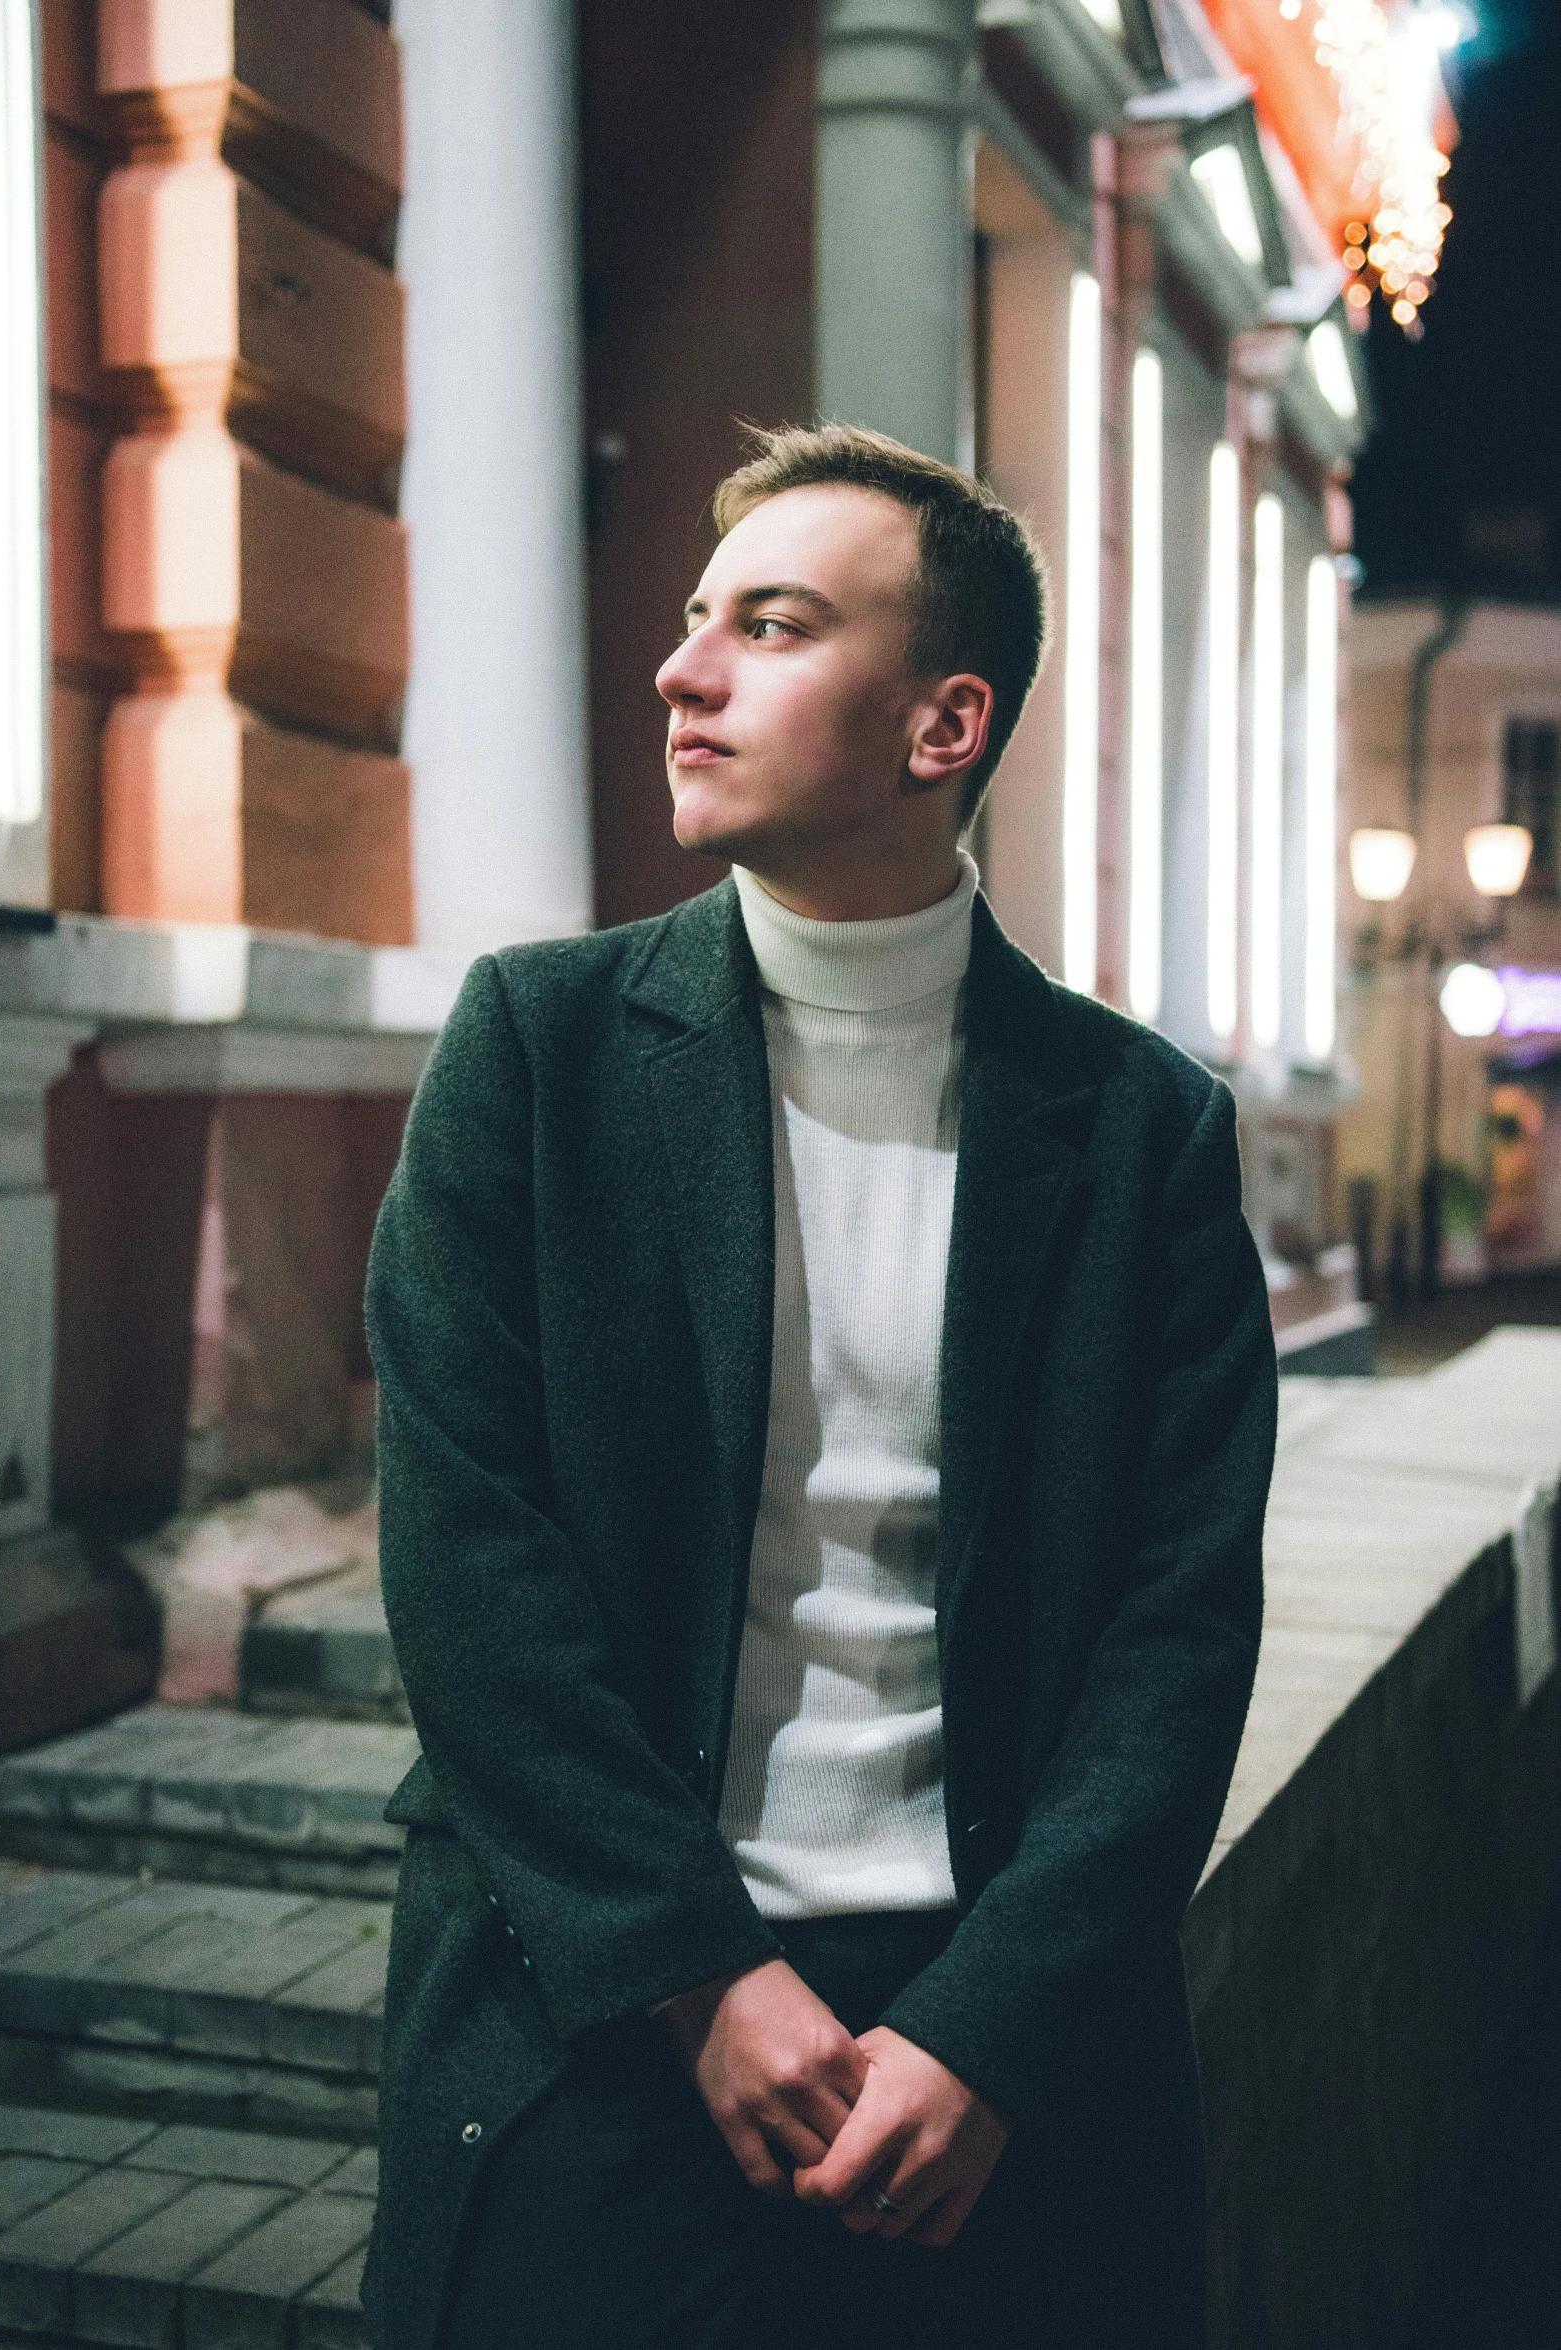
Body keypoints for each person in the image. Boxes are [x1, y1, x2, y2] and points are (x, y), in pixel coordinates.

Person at [360, 424, 1276, 2350]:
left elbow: (1174, 1632)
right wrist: (702, 1978)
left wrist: (992, 2019)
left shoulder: (1138, 1132)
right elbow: (469, 1568)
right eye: (697, 623)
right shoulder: (538, 1053)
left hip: (988, 2052)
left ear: (942, 726)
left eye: (768, 628)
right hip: (604, 2008)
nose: (686, 673)